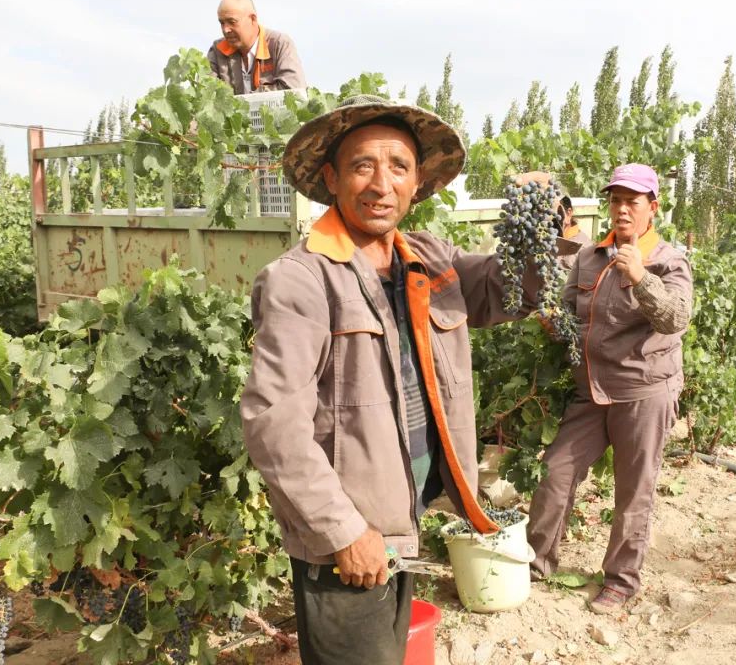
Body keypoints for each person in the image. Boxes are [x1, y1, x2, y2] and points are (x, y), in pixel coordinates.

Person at [240, 95, 541, 664]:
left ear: (417, 181)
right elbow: (272, 426)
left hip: (400, 521)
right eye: (362, 166)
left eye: (398, 166)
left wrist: (541, 224)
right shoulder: (301, 280)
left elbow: (514, 290)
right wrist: (344, 532)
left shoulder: (427, 258)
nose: (381, 183)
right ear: (332, 178)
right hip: (348, 540)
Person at [527, 163, 693, 614]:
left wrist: (641, 276)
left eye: (632, 202)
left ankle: (621, 580)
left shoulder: (667, 260)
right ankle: (535, 563)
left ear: (651, 209)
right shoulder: (589, 257)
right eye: (616, 201)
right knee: (555, 472)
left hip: (644, 391)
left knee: (633, 489)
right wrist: (553, 323)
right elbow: (569, 316)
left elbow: (676, 319)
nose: (622, 210)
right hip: (592, 390)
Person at [207, 0, 306, 95]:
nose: (225, 29)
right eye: (222, 23)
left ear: (253, 19)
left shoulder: (279, 44)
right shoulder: (217, 51)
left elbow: (294, 91)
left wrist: (250, 99)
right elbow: (207, 94)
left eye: (232, 22)